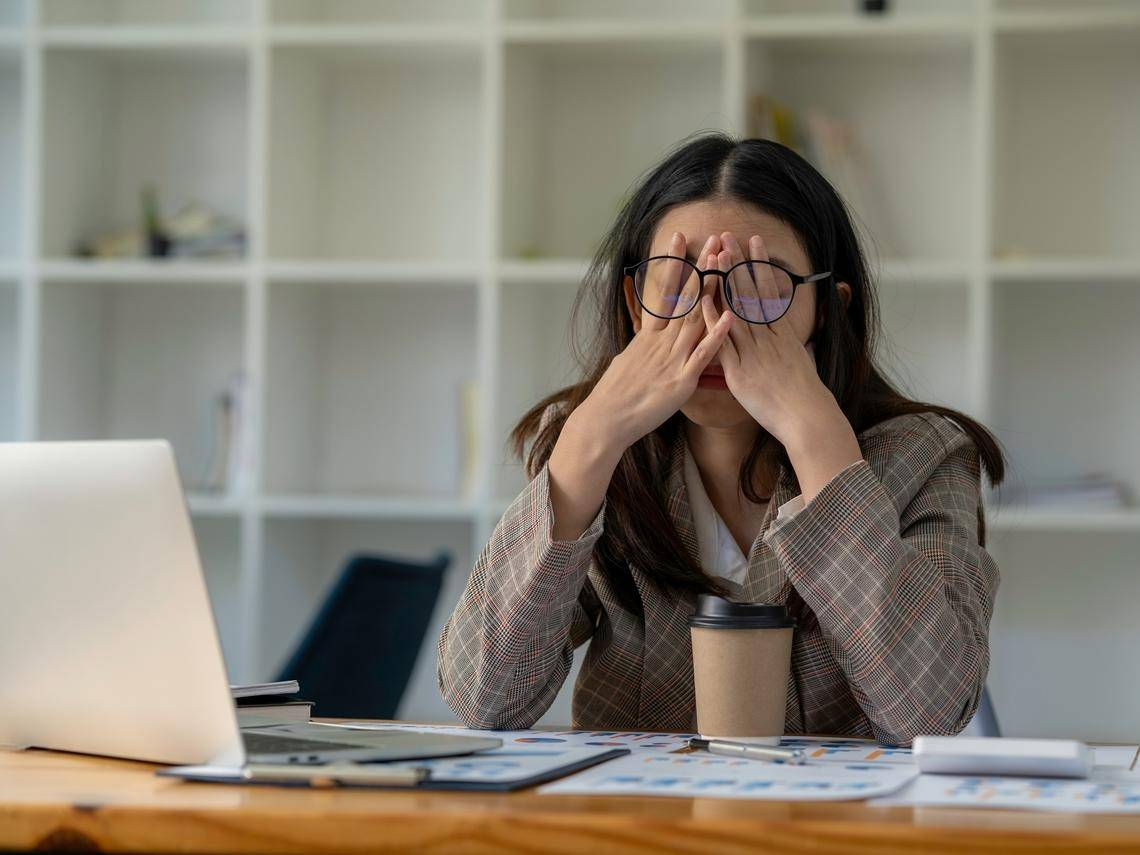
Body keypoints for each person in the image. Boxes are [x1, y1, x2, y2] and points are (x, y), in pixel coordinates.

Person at [438, 133, 1003, 746]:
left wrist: (821, 446)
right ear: (635, 303)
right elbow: (482, 699)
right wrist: (589, 441)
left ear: (828, 309)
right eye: (677, 281)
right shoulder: (590, 448)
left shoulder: (925, 455)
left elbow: (931, 713)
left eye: (758, 284)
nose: (713, 321)